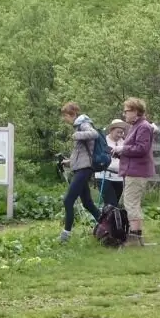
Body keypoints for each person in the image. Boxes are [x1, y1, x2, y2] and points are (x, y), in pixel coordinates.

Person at [116, 98, 156, 246]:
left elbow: (142, 149)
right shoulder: (135, 126)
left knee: (131, 204)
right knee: (133, 203)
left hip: (137, 171)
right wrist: (120, 152)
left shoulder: (143, 127)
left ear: (135, 111)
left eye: (126, 111)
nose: (124, 114)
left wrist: (123, 149)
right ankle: (137, 239)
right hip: (132, 169)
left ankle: (134, 238)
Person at [58, 102, 101, 243]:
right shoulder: (79, 125)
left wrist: (77, 135)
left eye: (65, 116)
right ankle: (106, 225)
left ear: (71, 114)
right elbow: (81, 153)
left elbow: (94, 134)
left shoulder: (83, 123)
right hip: (81, 167)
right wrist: (69, 162)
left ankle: (66, 234)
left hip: (84, 169)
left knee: (68, 200)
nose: (65, 119)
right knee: (88, 203)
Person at [99, 119, 128, 209]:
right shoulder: (103, 141)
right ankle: (109, 222)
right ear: (111, 130)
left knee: (114, 206)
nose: (120, 135)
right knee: (111, 204)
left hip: (119, 177)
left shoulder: (124, 142)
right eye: (118, 132)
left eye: (121, 132)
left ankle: (107, 221)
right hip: (104, 176)